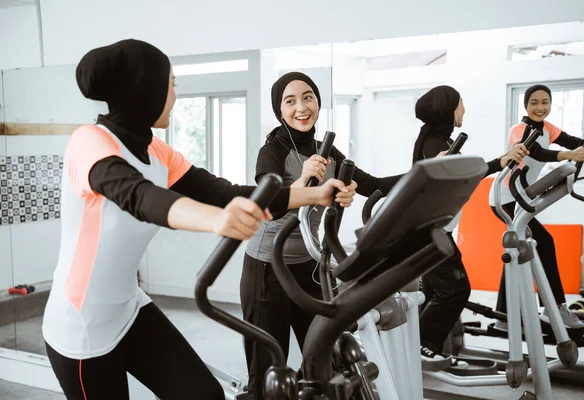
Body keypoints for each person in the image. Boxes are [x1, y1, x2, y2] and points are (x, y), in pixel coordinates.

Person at [41, 40, 356, 400]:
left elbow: (224, 191)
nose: (175, 94)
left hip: (128, 308)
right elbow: (139, 196)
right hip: (81, 328)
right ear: (146, 91)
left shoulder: (155, 149)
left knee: (205, 394)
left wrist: (317, 194)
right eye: (171, 85)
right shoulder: (89, 141)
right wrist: (218, 222)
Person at [241, 71, 406, 399]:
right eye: (290, 101)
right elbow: (268, 205)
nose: (301, 107)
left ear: (318, 103)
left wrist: (427, 168)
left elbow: (377, 185)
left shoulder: (330, 153)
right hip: (267, 269)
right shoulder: (272, 151)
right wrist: (301, 181)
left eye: (308, 97)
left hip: (307, 267)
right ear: (280, 110)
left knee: (325, 363)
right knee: (268, 370)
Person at [412, 85, 527, 368]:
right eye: (461, 104)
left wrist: (502, 161)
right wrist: (500, 161)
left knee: (432, 293)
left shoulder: (436, 140)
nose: (464, 109)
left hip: (437, 230)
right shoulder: (435, 144)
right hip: (431, 233)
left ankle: (414, 348)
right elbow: (462, 173)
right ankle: (422, 346)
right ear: (447, 109)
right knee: (455, 290)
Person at [489, 84, 584, 331]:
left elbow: (578, 142)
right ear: (526, 105)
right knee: (544, 243)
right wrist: (568, 155)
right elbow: (536, 152)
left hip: (521, 198)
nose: (540, 107)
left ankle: (504, 315)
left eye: (545, 102)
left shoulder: (548, 128)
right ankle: (555, 309)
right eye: (534, 103)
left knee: (518, 250)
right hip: (506, 197)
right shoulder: (519, 129)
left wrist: (582, 149)